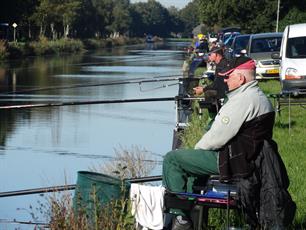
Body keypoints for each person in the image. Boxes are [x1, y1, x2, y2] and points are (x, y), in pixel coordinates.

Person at [163, 56, 275, 230]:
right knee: (192, 169)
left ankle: (180, 218)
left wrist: (195, 154)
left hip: (234, 161)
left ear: (241, 78)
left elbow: (216, 138)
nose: (224, 80)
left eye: (228, 76)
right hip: (249, 159)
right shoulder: (259, 96)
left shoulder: (242, 100)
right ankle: (192, 214)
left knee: (173, 159)